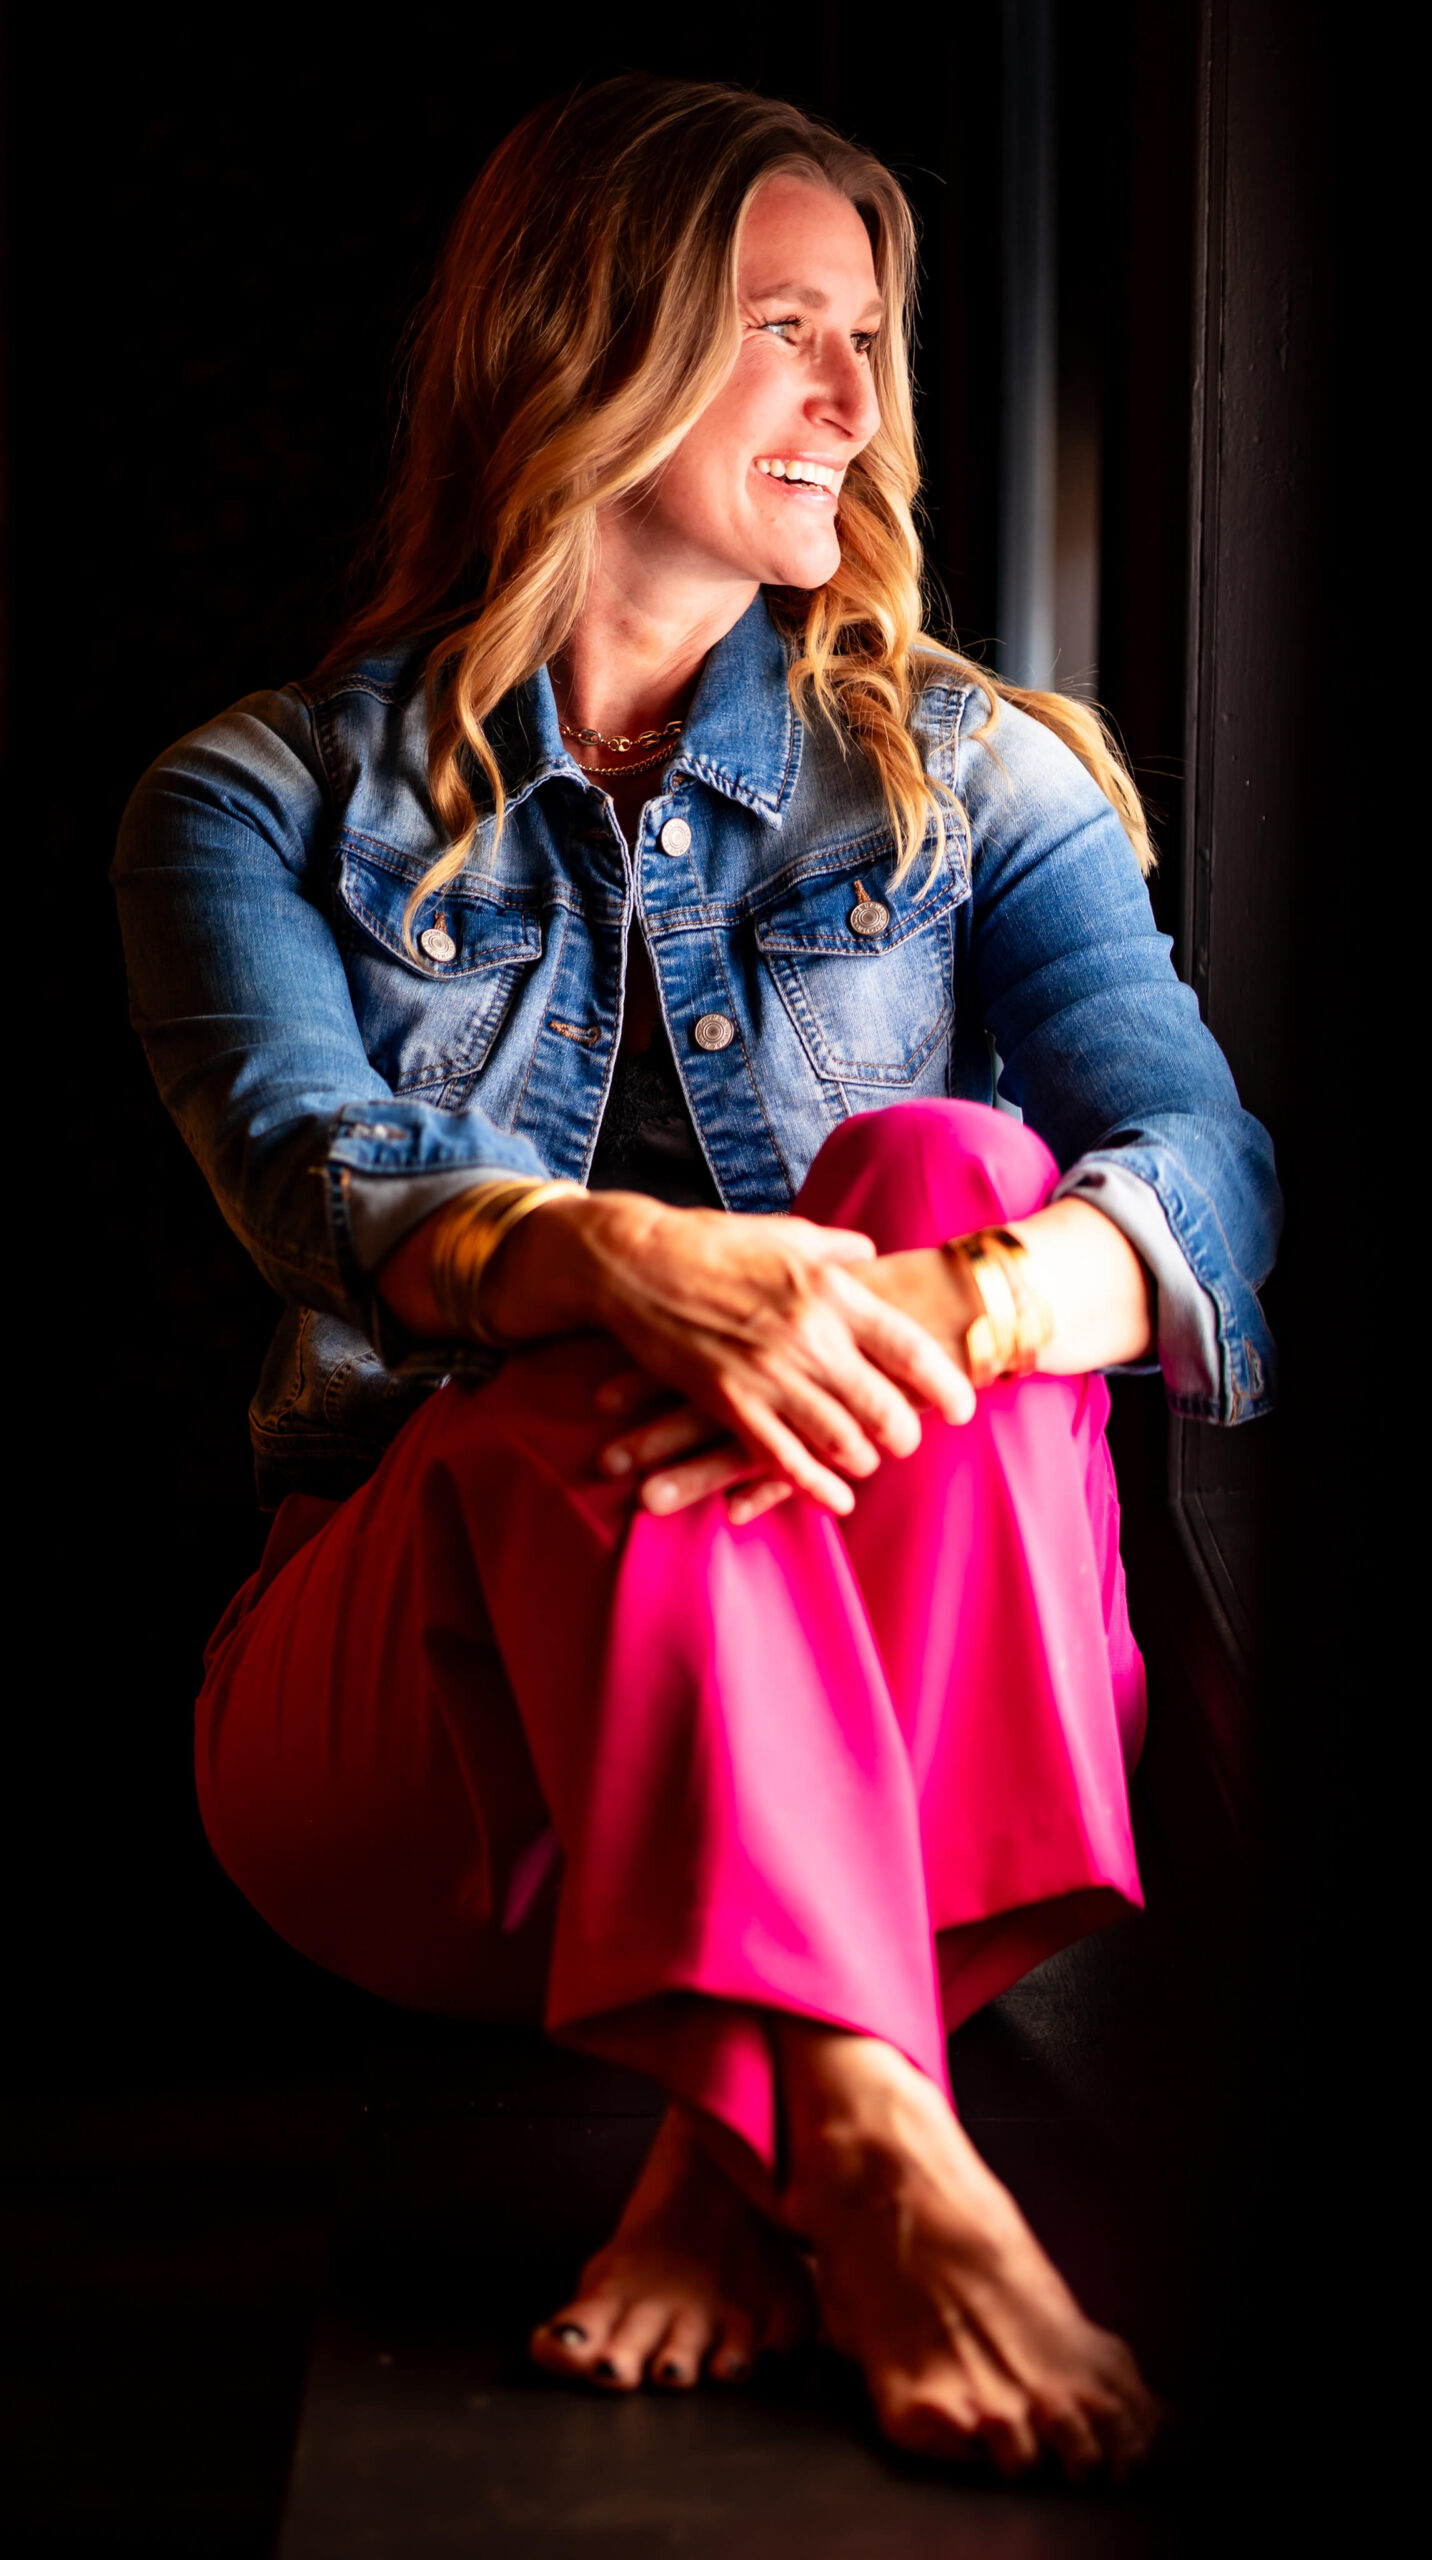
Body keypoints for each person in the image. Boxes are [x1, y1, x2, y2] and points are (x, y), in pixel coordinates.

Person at [113, 74, 1280, 2482]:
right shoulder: (244, 804)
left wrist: (949, 1301)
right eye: (780, 331)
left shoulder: (978, 777)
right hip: (427, 1756)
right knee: (546, 1337)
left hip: (914, 1701)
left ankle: (759, 2142)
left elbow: (1208, 1173)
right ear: (581, 351)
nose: (856, 401)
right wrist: (618, 1256)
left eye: (869, 335)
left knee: (965, 1160)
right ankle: (878, 2141)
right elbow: (317, 1178)